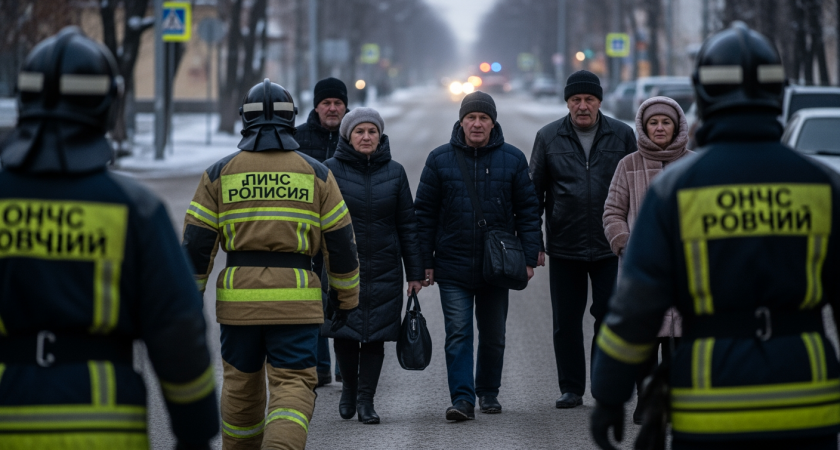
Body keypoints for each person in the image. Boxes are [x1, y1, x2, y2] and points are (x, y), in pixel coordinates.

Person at [591, 22, 840, 450]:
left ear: (703, 95)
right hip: (809, 396)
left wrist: (611, 395)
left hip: (710, 400)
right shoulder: (822, 185)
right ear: (778, 92)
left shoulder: (676, 190)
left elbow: (635, 308)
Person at [0, 27, 218, 449]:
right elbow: (177, 330)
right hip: (101, 427)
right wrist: (196, 431)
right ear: (107, 104)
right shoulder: (135, 209)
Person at [182, 79, 359, 449]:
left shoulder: (219, 173)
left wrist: (188, 300)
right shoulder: (317, 173)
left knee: (241, 387)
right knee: (293, 386)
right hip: (296, 302)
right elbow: (341, 244)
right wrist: (346, 299)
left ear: (244, 121)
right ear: (291, 119)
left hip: (238, 304)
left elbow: (197, 246)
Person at [415, 91, 541, 421]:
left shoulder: (513, 159)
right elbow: (424, 214)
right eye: (471, 117)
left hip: (496, 266)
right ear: (461, 122)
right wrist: (423, 262)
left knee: (493, 334)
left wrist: (529, 257)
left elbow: (529, 211)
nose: (477, 123)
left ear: (493, 123)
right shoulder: (439, 159)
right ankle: (462, 399)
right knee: (458, 333)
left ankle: (488, 391)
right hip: (452, 264)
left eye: (483, 118)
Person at [529, 69, 637, 409]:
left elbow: (636, 190)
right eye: (575, 99)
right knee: (566, 323)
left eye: (589, 99)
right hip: (565, 244)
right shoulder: (548, 137)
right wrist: (535, 240)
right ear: (567, 103)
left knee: (609, 319)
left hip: (611, 247)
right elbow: (534, 194)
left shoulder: (622, 135)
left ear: (600, 101)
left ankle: (605, 386)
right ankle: (571, 388)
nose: (582, 106)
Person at [322, 107, 424, 424]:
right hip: (342, 267)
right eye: (360, 132)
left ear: (380, 137)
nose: (366, 137)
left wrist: (415, 272)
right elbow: (316, 224)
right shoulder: (328, 171)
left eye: (372, 132)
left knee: (376, 334)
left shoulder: (394, 172)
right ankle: (349, 391)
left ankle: (367, 401)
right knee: (345, 331)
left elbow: (408, 224)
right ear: (347, 136)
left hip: (384, 267)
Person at [602, 95, 693, 424]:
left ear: (677, 127)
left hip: (686, 271)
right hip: (642, 272)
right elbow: (613, 212)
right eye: (653, 122)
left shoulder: (695, 165)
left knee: (681, 341)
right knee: (644, 339)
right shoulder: (629, 165)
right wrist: (627, 244)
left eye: (665, 122)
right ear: (642, 126)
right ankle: (646, 400)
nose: (659, 128)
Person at [296, 77, 350, 386]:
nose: (332, 108)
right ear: (316, 106)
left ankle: (345, 363)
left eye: (338, 103)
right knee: (311, 296)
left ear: (345, 107)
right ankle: (319, 367)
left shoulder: (358, 136)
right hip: (306, 230)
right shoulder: (297, 138)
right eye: (326, 103)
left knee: (343, 293)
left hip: (344, 229)